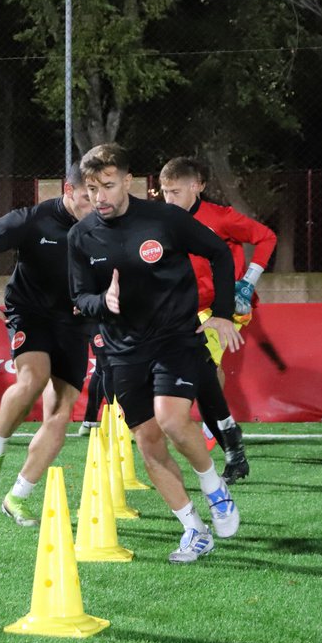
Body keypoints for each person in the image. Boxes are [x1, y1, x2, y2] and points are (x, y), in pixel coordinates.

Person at [68, 143, 242, 563]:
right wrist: (102, 302)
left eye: (108, 186)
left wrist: (222, 313)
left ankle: (214, 488)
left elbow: (219, 253)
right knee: (148, 442)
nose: (100, 197)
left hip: (175, 338)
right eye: (92, 189)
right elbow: (79, 297)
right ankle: (194, 529)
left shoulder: (165, 219)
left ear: (128, 181)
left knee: (171, 419)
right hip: (122, 350)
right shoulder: (81, 236)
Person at [0, 163, 94, 526]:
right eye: (87, 196)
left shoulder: (104, 226)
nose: (95, 203)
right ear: (68, 191)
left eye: (100, 194)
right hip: (30, 314)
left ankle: (17, 497)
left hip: (75, 324)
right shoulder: (34, 220)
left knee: (61, 415)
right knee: (33, 378)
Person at [159, 157, 277, 483]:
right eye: (165, 192)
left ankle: (222, 435)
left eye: (176, 192)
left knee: (205, 369)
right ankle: (229, 441)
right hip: (187, 309)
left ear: (197, 187)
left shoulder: (220, 217)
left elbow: (266, 237)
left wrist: (248, 282)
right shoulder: (163, 221)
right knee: (204, 371)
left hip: (224, 308)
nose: (169, 199)